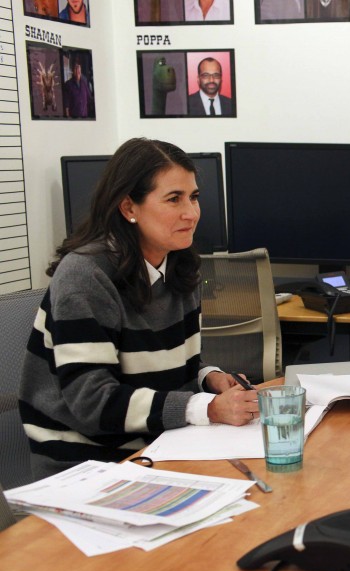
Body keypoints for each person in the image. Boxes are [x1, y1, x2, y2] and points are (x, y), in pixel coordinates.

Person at [19, 138, 259, 480]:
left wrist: (209, 378)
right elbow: (92, 402)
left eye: (193, 197)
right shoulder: (85, 276)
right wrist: (206, 408)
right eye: (174, 199)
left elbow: (170, 367)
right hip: (86, 466)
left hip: (161, 448)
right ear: (129, 208)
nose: (191, 213)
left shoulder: (178, 266)